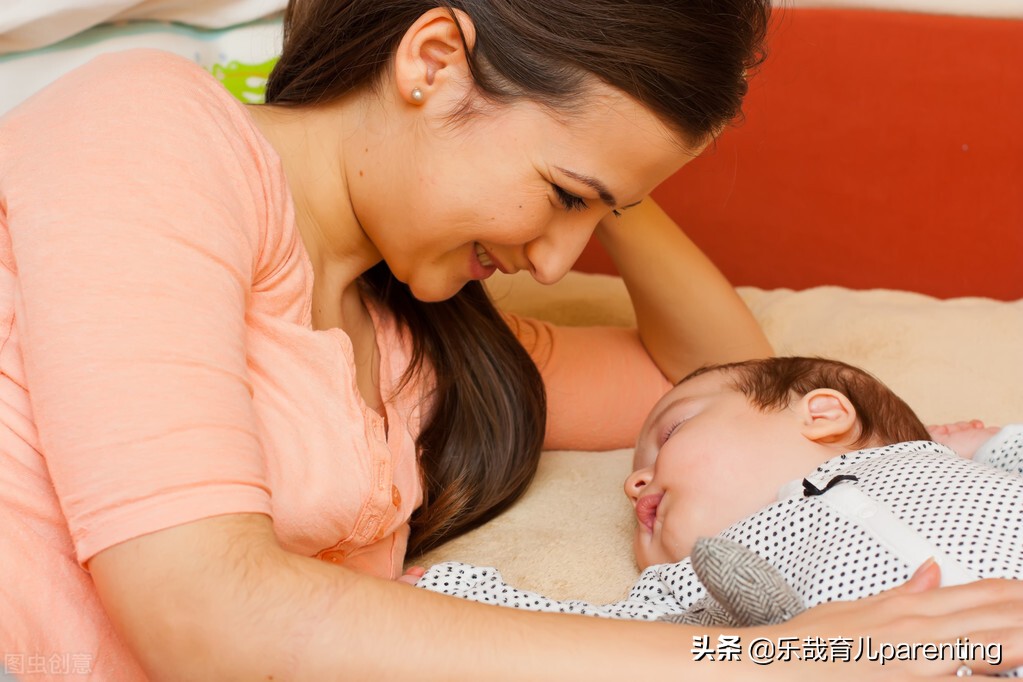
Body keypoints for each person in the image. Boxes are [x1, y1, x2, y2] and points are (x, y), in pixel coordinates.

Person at [1, 0, 1022, 678]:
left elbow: (727, 379)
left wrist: (612, 179)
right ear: (434, 60)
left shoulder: (429, 352)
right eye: (565, 196)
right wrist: (765, 658)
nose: (555, 261)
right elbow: (200, 609)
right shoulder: (150, 131)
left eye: (599, 216)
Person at [416, 358, 1023, 672]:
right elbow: (618, 639)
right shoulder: (720, 573)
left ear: (822, 416)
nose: (634, 484)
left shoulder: (929, 465)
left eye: (672, 432)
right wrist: (460, 593)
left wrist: (984, 445)